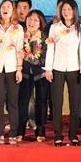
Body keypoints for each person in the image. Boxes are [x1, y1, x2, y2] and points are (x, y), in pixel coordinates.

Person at [44, 0, 81, 146]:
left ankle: (73, 134)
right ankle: (58, 135)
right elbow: (50, 48)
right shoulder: (54, 28)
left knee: (75, 102)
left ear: (74, 11)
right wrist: (48, 68)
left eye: (69, 9)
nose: (66, 12)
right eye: (64, 9)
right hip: (57, 68)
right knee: (57, 102)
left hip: (74, 68)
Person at [0, 0, 24, 144]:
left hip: (13, 68)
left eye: (9, 6)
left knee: (12, 101)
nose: (5, 8)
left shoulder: (18, 28)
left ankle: (13, 133)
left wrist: (19, 69)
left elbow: (20, 50)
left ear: (12, 10)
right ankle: (0, 133)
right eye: (3, 6)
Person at [18, 9, 49, 142]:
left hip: (41, 73)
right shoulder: (20, 34)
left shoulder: (45, 38)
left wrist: (27, 57)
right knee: (23, 101)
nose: (31, 22)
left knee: (41, 102)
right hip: (24, 73)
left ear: (41, 23)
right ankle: (20, 130)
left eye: (36, 20)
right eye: (29, 19)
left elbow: (43, 60)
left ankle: (40, 130)